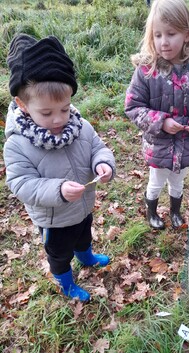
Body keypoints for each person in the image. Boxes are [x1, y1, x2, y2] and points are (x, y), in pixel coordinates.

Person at [4, 34, 116, 302]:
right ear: (23, 105)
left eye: (65, 109)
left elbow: (97, 147)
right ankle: (65, 282)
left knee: (83, 233)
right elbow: (20, 183)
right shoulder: (18, 144)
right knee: (60, 252)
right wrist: (58, 189)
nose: (58, 119)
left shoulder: (80, 126)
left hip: (83, 206)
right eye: (47, 113)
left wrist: (102, 163)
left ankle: (86, 256)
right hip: (54, 219)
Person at [125, 0, 189, 230]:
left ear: (187, 35)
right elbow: (133, 106)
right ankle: (152, 212)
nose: (164, 42)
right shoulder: (146, 70)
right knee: (156, 181)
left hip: (187, 142)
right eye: (157, 35)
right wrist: (161, 121)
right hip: (158, 144)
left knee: (178, 181)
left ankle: (175, 211)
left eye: (171, 34)